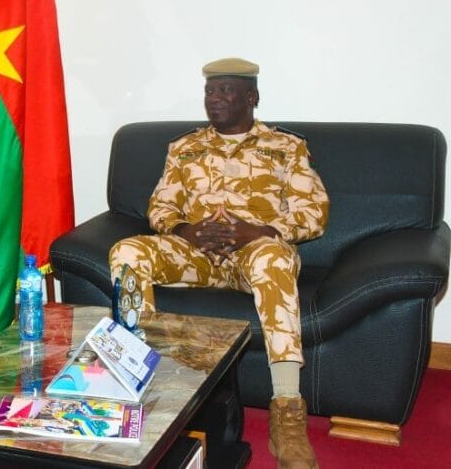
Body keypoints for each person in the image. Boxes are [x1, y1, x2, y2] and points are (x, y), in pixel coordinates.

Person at [109, 58, 328, 469]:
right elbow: (160, 208)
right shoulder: (184, 147)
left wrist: (259, 231)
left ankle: (287, 413)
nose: (215, 98)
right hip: (197, 257)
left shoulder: (286, 147)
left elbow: (313, 214)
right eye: (210, 90)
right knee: (127, 252)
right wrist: (185, 230)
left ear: (252, 97)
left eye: (226, 90)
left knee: (273, 259)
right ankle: (143, 387)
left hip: (254, 255)